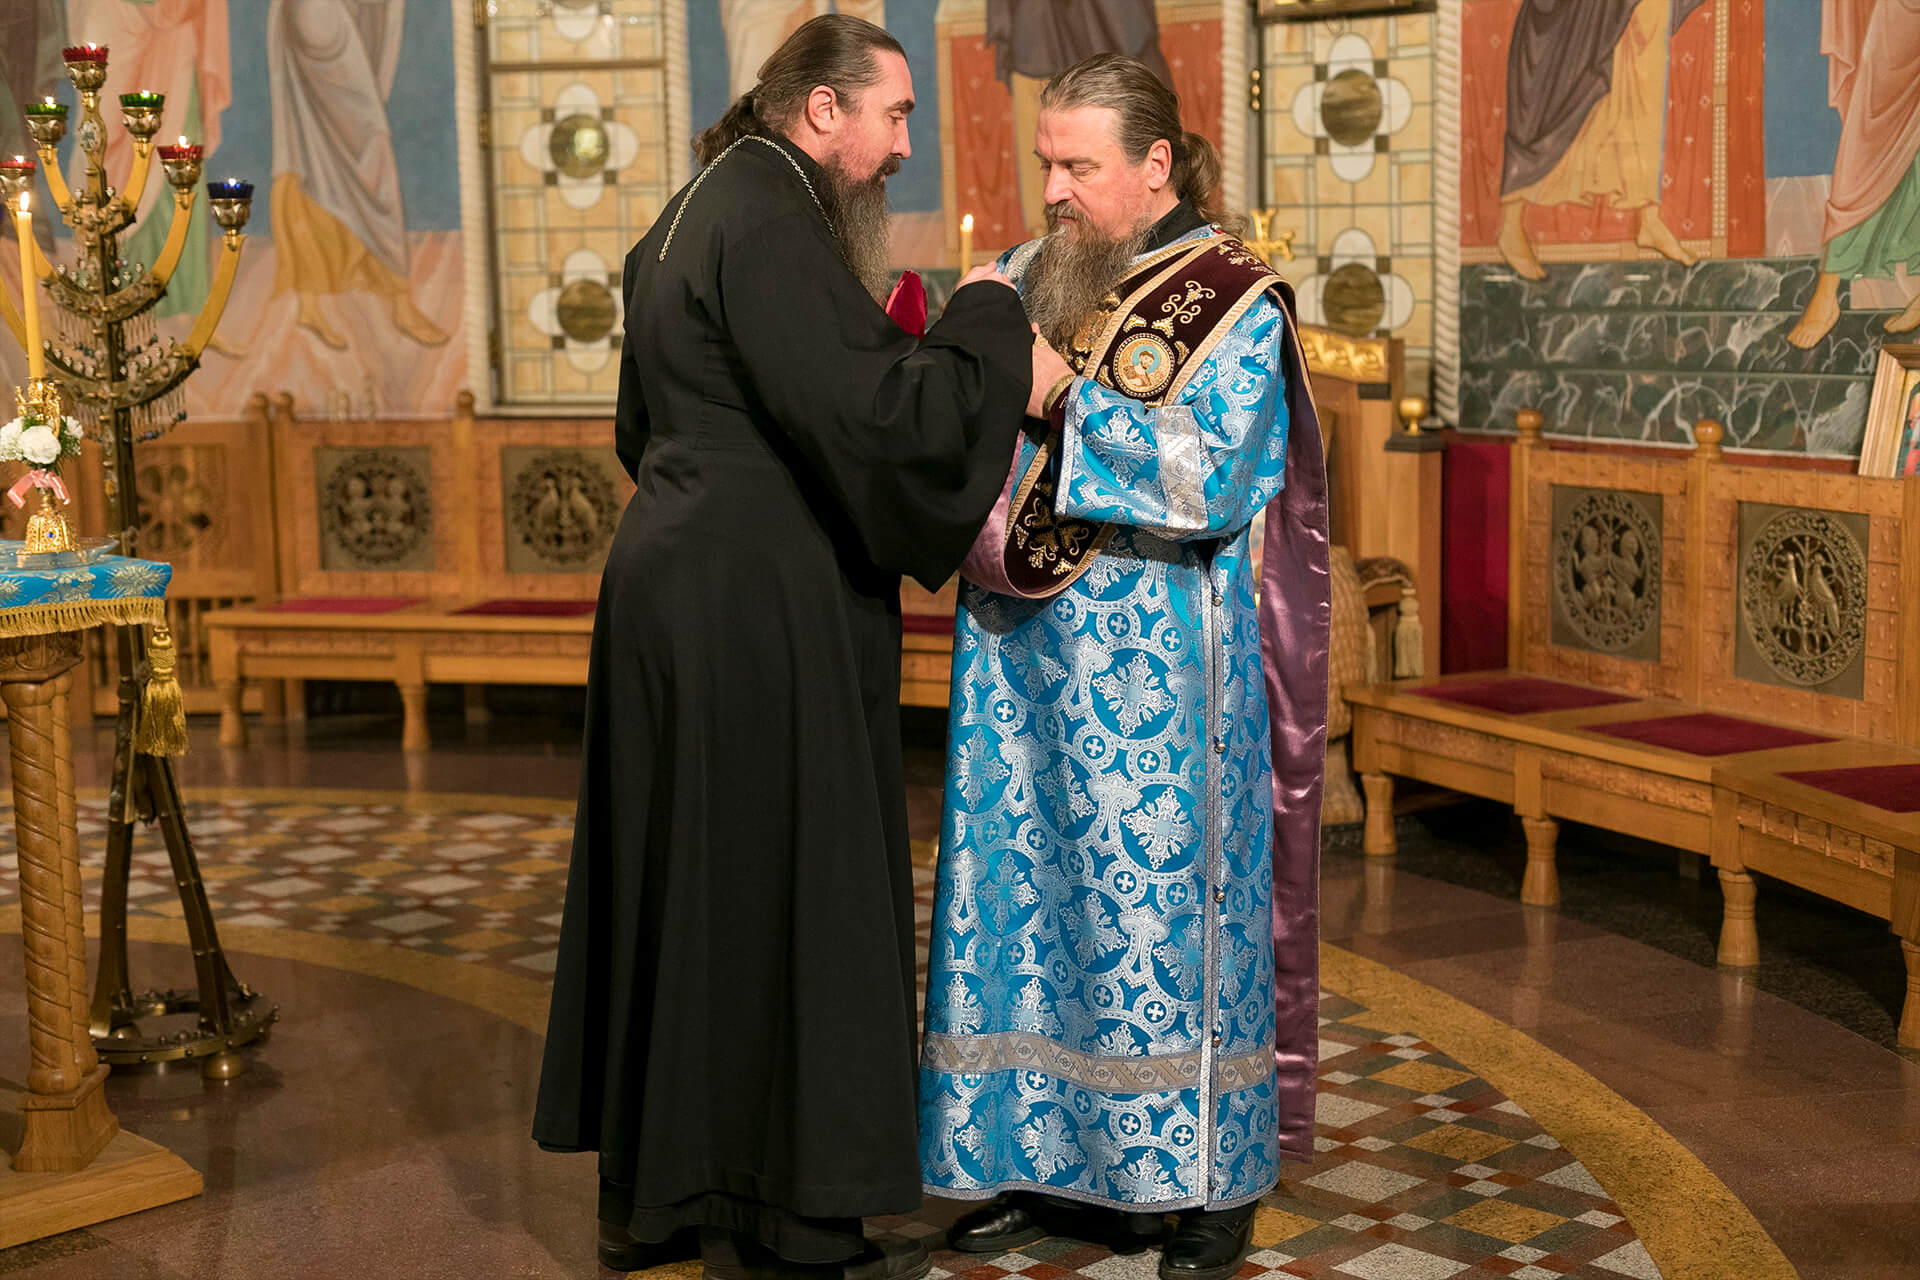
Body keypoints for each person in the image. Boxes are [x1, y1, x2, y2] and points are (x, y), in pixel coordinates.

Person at [533, 16, 1056, 1278]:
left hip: (676, 584)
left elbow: (644, 423)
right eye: (895, 114)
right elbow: (879, 415)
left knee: (688, 891)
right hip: (755, 606)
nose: (903, 147)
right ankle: (795, 1223)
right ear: (823, 109)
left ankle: (660, 1198)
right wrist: (990, 323)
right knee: (782, 887)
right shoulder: (770, 215)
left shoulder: (697, 207)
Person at [920, 53, 1330, 1280]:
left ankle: (1201, 1181)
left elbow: (1215, 474)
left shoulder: (1235, 302)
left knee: (1153, 924)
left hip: (1160, 683)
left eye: (1079, 166)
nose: (1053, 189)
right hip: (1015, 667)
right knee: (1028, 911)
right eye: (1046, 162)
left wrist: (1062, 399)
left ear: (1156, 166)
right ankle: (1043, 1160)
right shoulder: (1022, 277)